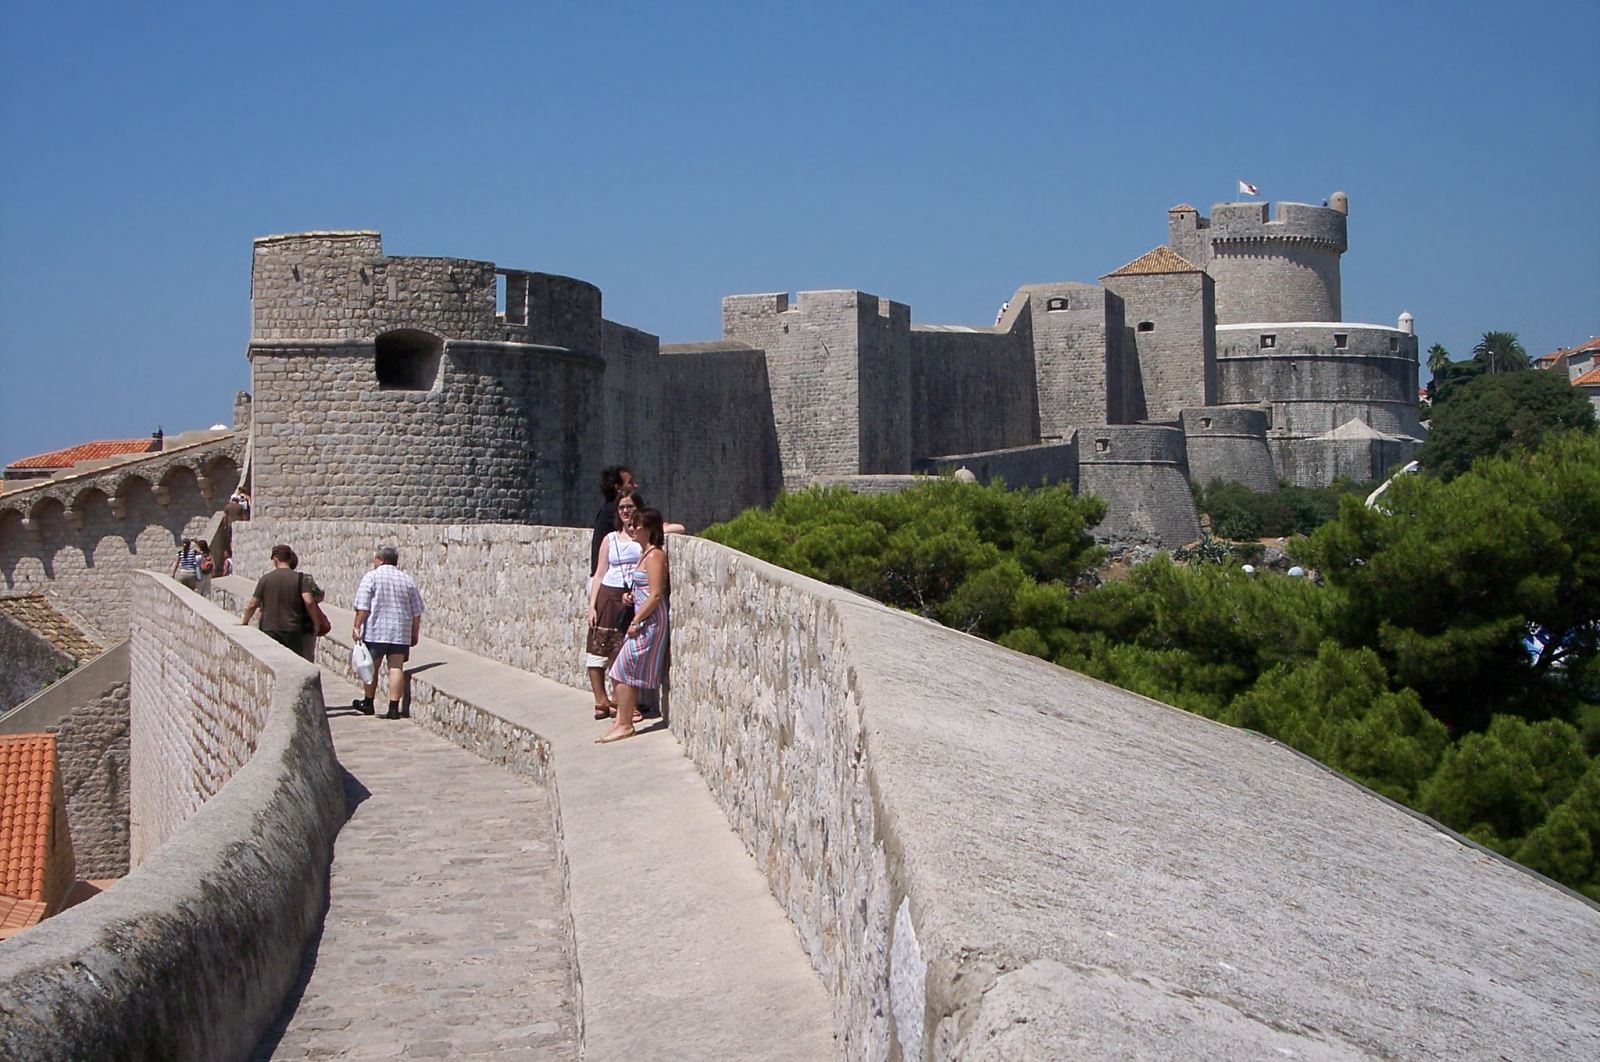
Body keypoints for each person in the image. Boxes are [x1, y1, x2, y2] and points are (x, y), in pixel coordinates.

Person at [597, 508, 670, 744]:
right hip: (640, 620)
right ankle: (621, 720)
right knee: (619, 668)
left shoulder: (655, 555)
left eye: (638, 525)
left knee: (624, 667)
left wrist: (636, 621)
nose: (633, 528)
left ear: (649, 528)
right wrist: (631, 596)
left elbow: (656, 594)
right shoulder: (644, 554)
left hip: (648, 622)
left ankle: (626, 724)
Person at [586, 486, 644, 718]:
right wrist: (591, 606)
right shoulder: (610, 538)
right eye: (621, 507)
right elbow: (600, 572)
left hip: (632, 597)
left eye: (629, 506)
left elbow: (677, 528)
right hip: (608, 595)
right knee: (599, 648)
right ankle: (602, 701)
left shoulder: (642, 535)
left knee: (622, 652)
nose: (625, 511)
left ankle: (623, 703)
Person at [352, 545, 425, 719]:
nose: (373, 562)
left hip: (376, 631)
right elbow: (417, 611)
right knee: (396, 667)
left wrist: (356, 626)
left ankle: (368, 702)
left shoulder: (371, 577)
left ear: (381, 560)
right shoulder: (407, 579)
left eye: (375, 559)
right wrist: (414, 633)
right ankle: (393, 707)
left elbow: (363, 606)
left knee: (371, 667)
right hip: (399, 631)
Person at [239, 544, 331, 661]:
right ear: (290, 559)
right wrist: (316, 623)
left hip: (270, 629)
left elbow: (253, 605)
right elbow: (309, 601)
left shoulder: (266, 579)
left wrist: (244, 621)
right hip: (293, 629)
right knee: (295, 662)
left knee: (274, 663)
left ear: (276, 560)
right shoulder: (300, 578)